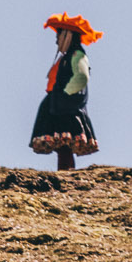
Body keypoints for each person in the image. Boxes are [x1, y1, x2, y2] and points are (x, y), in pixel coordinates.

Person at [29, 11, 102, 171]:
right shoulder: (67, 58)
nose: (57, 42)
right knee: (62, 144)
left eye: (58, 37)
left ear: (67, 36)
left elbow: (81, 77)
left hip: (67, 107)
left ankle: (66, 172)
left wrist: (65, 93)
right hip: (59, 105)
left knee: (64, 142)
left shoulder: (77, 55)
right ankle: (65, 171)